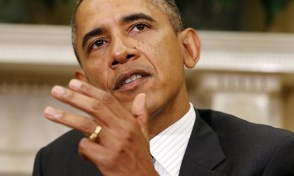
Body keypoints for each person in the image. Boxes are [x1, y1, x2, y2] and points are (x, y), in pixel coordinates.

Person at [32, 0, 294, 175]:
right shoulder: (56, 163)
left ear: (187, 49)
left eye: (139, 27)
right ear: (85, 83)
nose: (120, 52)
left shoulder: (270, 157)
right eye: (98, 43)